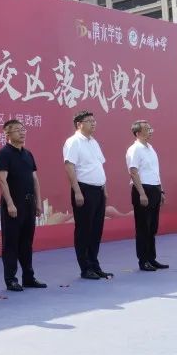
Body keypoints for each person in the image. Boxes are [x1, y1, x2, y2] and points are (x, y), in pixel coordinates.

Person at [0, 119, 46, 291]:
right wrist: (10, 204)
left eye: (23, 129)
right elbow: (2, 181)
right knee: (11, 244)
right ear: (7, 134)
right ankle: (11, 279)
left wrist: (38, 202)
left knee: (26, 243)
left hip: (28, 204)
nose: (22, 132)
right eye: (17, 130)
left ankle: (28, 277)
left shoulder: (28, 154)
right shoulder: (3, 154)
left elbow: (35, 179)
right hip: (13, 206)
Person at [63, 110, 112, 279]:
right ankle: (85, 268)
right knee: (84, 230)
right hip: (84, 190)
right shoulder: (73, 142)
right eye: (89, 121)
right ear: (79, 124)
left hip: (98, 190)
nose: (93, 123)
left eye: (94, 120)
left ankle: (94, 265)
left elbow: (99, 165)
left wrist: (104, 188)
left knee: (96, 230)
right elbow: (69, 167)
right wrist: (77, 191)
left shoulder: (94, 142)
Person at [125, 120, 168, 271]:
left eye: (150, 128)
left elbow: (155, 172)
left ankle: (151, 258)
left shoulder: (150, 148)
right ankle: (143, 261)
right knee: (143, 227)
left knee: (152, 227)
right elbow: (133, 172)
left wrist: (161, 191)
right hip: (143, 190)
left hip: (154, 189)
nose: (150, 131)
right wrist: (142, 193)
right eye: (146, 129)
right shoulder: (134, 149)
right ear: (137, 133)